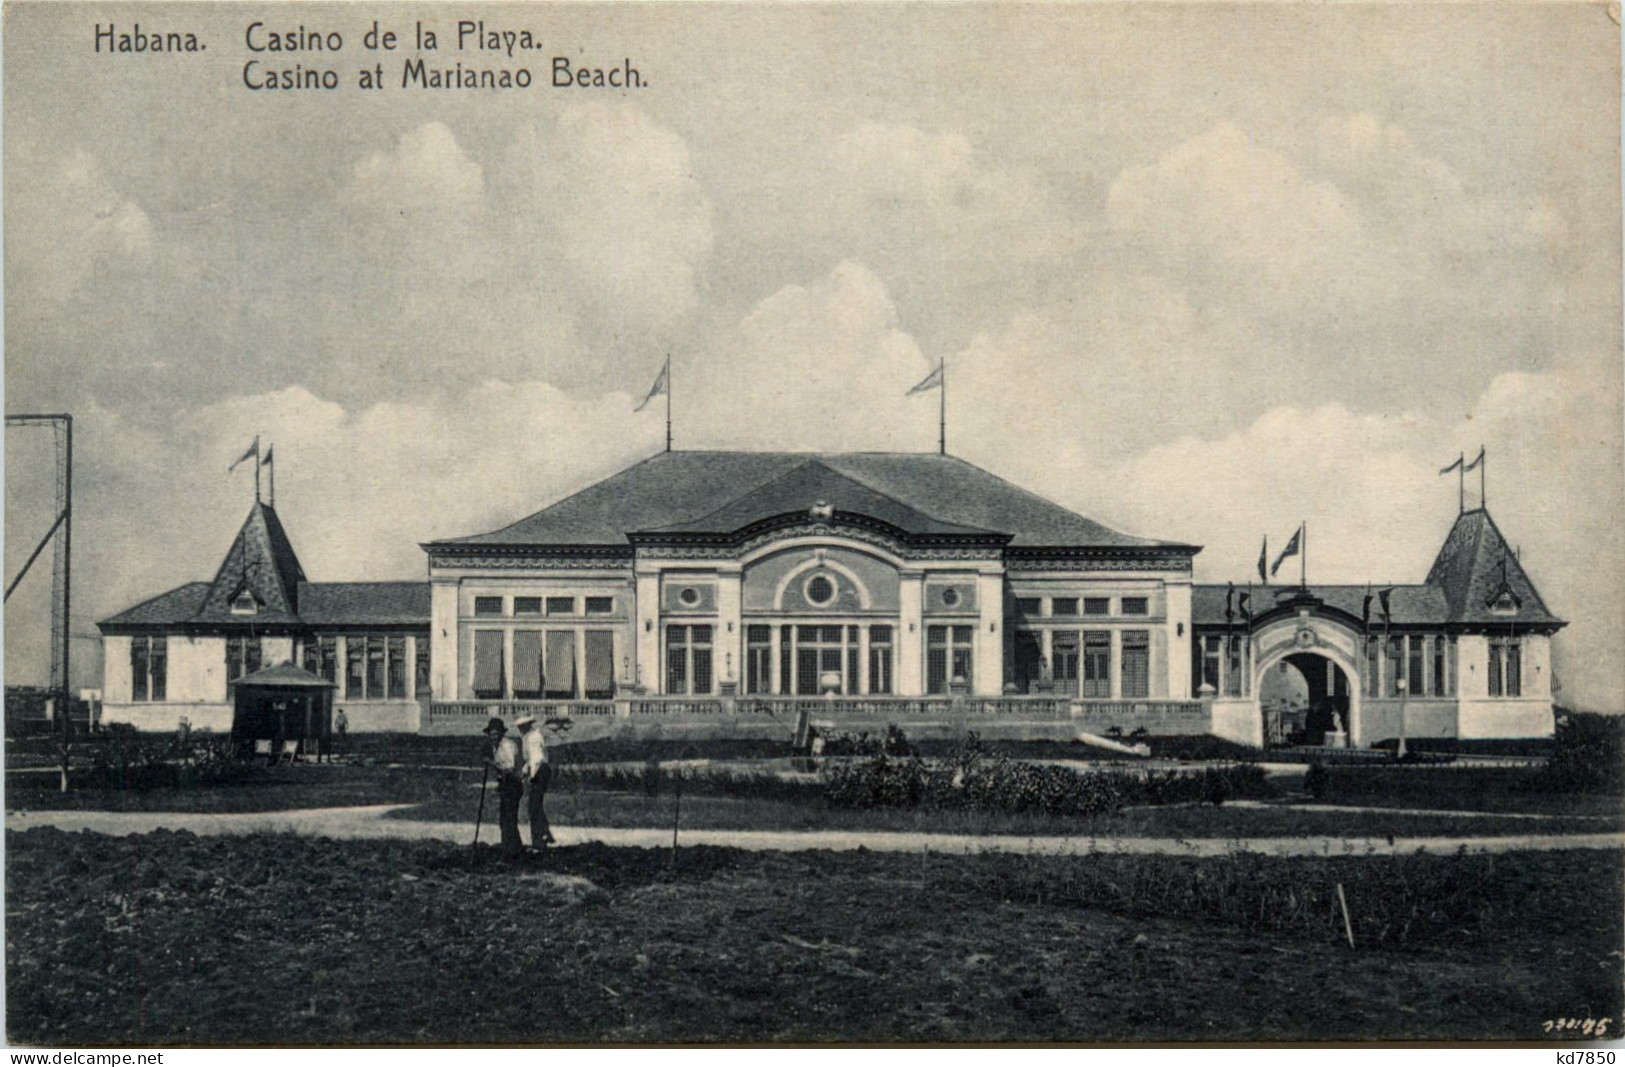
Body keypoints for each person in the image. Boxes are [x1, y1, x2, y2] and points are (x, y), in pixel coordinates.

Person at [482, 717, 523, 860]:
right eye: (491, 734)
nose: (492, 737)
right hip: (506, 785)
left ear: (501, 733)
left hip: (512, 784)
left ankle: (511, 852)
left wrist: (491, 763)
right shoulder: (497, 746)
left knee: (508, 820)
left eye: (495, 734)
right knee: (505, 820)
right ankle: (513, 849)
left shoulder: (506, 746)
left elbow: (509, 769)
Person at [515, 715, 555, 849]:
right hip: (538, 770)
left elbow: (536, 759)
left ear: (528, 725)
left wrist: (532, 777)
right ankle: (544, 833)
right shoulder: (528, 737)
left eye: (523, 726)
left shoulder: (533, 738)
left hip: (540, 771)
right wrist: (523, 772)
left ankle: (539, 840)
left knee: (533, 807)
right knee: (535, 804)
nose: (520, 729)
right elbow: (529, 761)